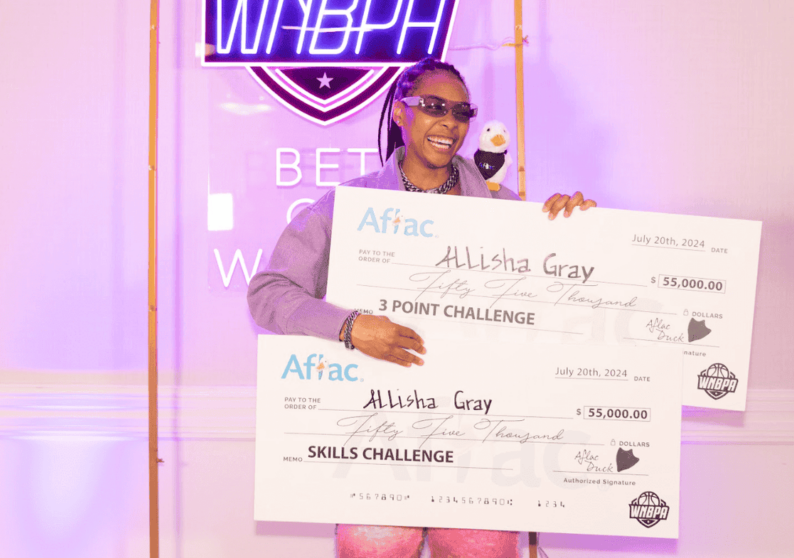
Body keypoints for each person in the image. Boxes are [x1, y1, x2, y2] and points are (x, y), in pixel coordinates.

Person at [247, 57, 595, 558]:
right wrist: (349, 326)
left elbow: (562, 307)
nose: (449, 122)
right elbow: (268, 292)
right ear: (399, 114)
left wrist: (581, 234)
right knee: (371, 543)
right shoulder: (347, 205)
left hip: (484, 448)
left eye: (461, 111)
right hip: (378, 439)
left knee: (482, 548)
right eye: (433, 106)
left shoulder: (510, 212)